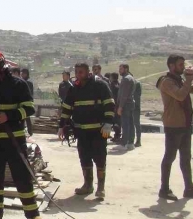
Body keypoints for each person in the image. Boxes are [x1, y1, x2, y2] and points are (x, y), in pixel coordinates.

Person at [0, 49, 45, 219]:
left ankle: (32, 214)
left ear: (0, 66)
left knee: (21, 176)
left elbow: (29, 109)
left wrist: (9, 116)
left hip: (14, 139)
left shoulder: (19, 85)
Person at [58, 63, 115, 199]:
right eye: (77, 72)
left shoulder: (100, 85)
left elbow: (109, 104)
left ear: (88, 72)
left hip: (99, 131)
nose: (78, 75)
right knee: (84, 158)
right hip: (81, 132)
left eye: (81, 72)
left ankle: (101, 188)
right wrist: (61, 126)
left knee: (100, 159)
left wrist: (108, 123)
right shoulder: (74, 89)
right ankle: (88, 185)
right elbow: (67, 108)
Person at [156, 55, 193, 200]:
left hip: (184, 124)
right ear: (171, 66)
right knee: (169, 157)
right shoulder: (166, 82)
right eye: (180, 65)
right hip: (173, 125)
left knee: (185, 158)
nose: (183, 67)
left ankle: (189, 188)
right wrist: (189, 80)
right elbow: (179, 95)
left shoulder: (180, 81)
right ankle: (164, 189)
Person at [117, 64, 136, 150]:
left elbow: (124, 95)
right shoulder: (130, 78)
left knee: (125, 124)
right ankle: (130, 143)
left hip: (126, 105)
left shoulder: (126, 79)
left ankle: (124, 143)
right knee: (130, 124)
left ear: (126, 69)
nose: (119, 70)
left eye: (121, 69)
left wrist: (120, 107)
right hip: (130, 104)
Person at [21, 68, 35, 136]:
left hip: (27, 102)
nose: (22, 75)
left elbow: (30, 93)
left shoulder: (29, 83)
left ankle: (30, 131)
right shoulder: (20, 81)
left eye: (23, 73)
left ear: (26, 74)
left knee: (27, 117)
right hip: (22, 101)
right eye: (22, 73)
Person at [108, 73, 121, 142]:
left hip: (114, 105)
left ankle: (117, 136)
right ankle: (117, 135)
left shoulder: (112, 85)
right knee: (118, 121)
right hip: (118, 105)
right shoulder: (119, 84)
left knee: (115, 121)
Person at [134, 75, 143, 147]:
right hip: (135, 105)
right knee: (136, 124)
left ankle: (138, 140)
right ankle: (138, 140)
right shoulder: (137, 83)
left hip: (134, 106)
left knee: (136, 124)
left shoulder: (136, 84)